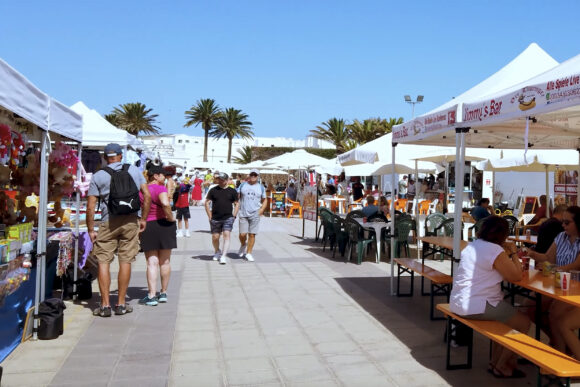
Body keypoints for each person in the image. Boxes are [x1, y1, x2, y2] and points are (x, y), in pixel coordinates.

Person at [450, 216, 530, 378]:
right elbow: (515, 276)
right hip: (476, 305)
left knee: (504, 319)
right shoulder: (494, 250)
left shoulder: (472, 245)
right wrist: (513, 252)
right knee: (523, 323)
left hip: (458, 301)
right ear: (502, 234)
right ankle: (501, 366)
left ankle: (497, 362)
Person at [87, 143, 150, 317]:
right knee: (125, 261)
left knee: (103, 261)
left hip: (108, 222)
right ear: (121, 156)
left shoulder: (98, 176)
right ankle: (121, 304)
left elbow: (91, 207)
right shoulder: (135, 171)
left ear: (105, 158)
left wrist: (91, 229)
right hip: (130, 220)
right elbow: (148, 196)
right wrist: (143, 218)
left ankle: (105, 305)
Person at [527, 206, 580, 359]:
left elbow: (576, 265)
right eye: (562, 222)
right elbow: (547, 257)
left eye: (567, 222)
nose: (563, 225)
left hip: (575, 288)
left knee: (555, 314)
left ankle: (561, 354)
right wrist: (532, 254)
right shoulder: (561, 236)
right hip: (558, 284)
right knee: (531, 307)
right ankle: (559, 343)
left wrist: (553, 269)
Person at [138, 165, 176, 306]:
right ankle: (163, 293)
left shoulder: (143, 190)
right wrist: (171, 217)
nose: (164, 177)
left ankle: (152, 295)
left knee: (152, 262)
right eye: (162, 175)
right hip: (164, 225)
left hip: (149, 225)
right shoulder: (161, 188)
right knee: (165, 261)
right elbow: (166, 203)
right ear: (155, 176)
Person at [205, 172, 239, 265]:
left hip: (228, 217)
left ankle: (223, 256)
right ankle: (217, 251)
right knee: (215, 237)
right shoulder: (213, 190)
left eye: (222, 179)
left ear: (227, 180)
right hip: (215, 217)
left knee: (226, 235)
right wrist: (209, 215)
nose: (220, 181)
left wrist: (234, 215)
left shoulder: (232, 191)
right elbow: (207, 202)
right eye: (219, 179)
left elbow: (237, 203)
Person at [237, 169, 268, 262]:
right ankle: (243, 244)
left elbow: (265, 199)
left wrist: (262, 210)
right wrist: (235, 207)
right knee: (242, 234)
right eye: (252, 174)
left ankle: (249, 253)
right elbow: (236, 197)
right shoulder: (243, 185)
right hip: (243, 212)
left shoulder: (261, 187)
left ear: (258, 176)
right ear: (249, 175)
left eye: (255, 175)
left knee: (252, 234)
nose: (253, 176)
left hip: (255, 213)